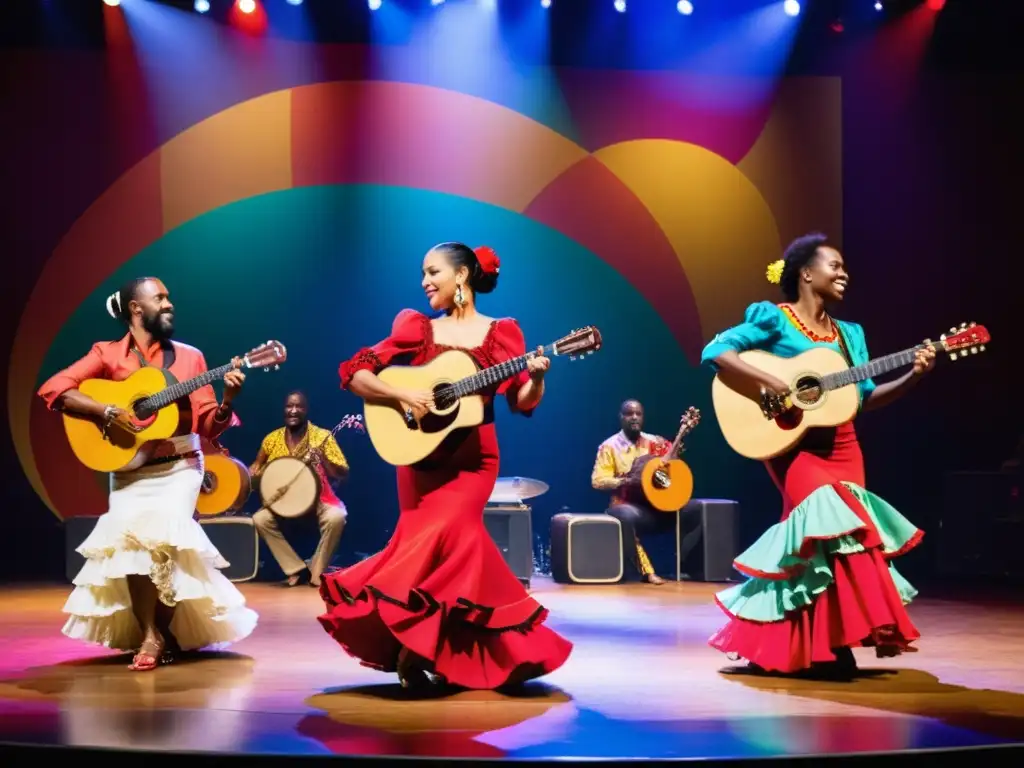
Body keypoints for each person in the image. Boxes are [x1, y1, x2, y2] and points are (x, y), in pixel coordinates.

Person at [317, 242, 573, 690]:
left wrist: (537, 377)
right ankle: (425, 648)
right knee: (425, 547)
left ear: (462, 276)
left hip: (473, 462)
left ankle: (417, 650)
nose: (424, 281)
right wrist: (403, 395)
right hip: (418, 460)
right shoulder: (417, 329)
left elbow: (521, 401)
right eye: (422, 273)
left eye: (432, 271)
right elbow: (356, 372)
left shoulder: (502, 334)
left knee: (457, 536)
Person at [700, 233, 934, 677]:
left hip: (843, 446)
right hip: (792, 445)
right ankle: (821, 647)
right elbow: (716, 351)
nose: (844, 273)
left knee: (842, 542)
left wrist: (912, 378)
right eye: (835, 265)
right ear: (807, 273)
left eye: (845, 268)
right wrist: (769, 382)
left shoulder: (850, 335)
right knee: (822, 528)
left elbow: (863, 398)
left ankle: (815, 645)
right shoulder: (774, 319)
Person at [36, 277, 259, 671]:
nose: (169, 303)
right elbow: (55, 388)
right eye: (160, 298)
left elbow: (206, 424)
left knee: (161, 534)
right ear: (136, 309)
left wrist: (226, 403)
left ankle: (160, 632)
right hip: (129, 470)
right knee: (130, 542)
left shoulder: (191, 358)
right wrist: (105, 411)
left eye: (170, 297)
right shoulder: (106, 353)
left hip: (180, 467)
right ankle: (150, 633)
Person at [250, 391, 349, 588]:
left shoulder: (322, 436)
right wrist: (250, 474)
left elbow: (342, 473)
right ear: (284, 410)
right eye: (289, 406)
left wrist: (323, 458)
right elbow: (256, 467)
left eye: (299, 407)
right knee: (259, 519)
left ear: (306, 410)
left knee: (337, 517)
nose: (293, 411)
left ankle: (316, 571)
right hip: (283, 503)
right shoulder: (272, 439)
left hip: (318, 500)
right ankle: (296, 569)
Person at [591, 399, 676, 584]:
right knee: (626, 516)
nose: (634, 418)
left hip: (654, 504)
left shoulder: (655, 442)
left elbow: (671, 465)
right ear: (621, 418)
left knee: (690, 509)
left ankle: (687, 569)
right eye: (629, 414)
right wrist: (626, 481)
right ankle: (647, 571)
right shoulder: (610, 446)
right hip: (625, 504)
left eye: (638, 414)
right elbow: (597, 481)